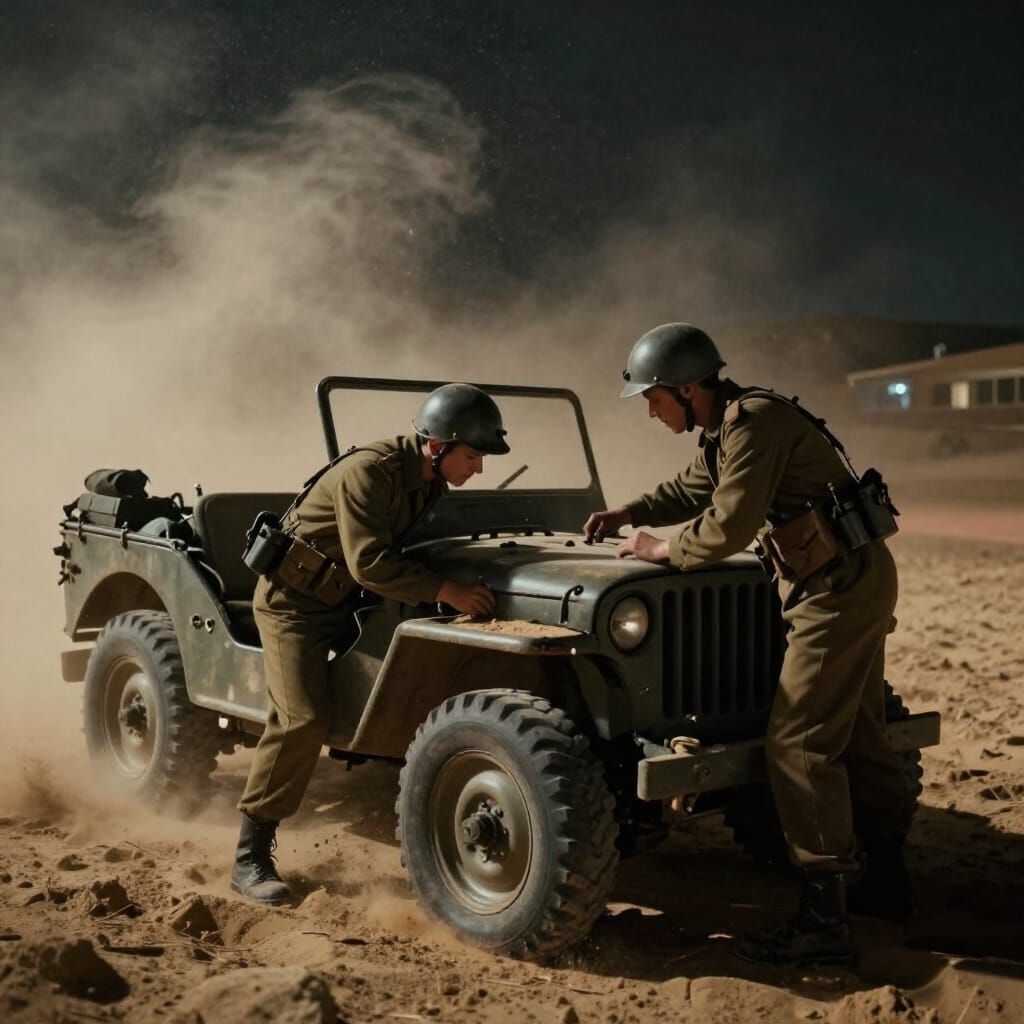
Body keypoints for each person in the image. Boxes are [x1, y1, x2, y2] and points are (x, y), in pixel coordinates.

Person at [583, 323, 913, 968]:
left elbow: (729, 521)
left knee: (798, 741)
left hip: (837, 586)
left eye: (654, 399)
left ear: (686, 388)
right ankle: (886, 883)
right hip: (848, 579)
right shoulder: (728, 427)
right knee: (861, 731)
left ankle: (824, 918)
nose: (650, 412)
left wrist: (661, 548)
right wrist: (629, 511)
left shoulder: (753, 422)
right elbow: (692, 488)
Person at [232, 383, 510, 906]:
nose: (478, 469)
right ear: (437, 446)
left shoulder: (427, 479)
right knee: (302, 717)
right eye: (473, 456)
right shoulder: (372, 472)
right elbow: (370, 562)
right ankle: (250, 853)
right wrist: (447, 591)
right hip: (295, 605)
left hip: (349, 603)